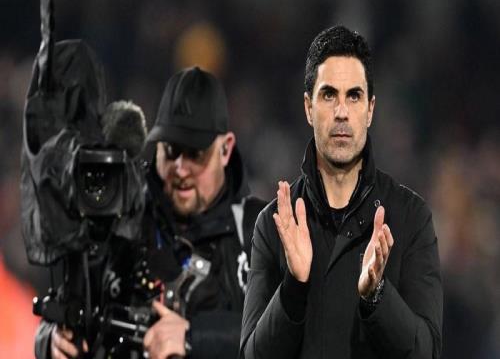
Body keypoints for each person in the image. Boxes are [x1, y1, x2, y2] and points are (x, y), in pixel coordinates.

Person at [240, 26, 443, 359]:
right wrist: (293, 288)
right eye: (328, 95)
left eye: (354, 96)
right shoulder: (275, 224)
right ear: (308, 107)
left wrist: (377, 295)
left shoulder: (410, 217)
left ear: (370, 110)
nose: (341, 112)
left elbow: (428, 352)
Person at [39, 66, 266, 358]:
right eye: (171, 151)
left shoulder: (258, 229)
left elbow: (289, 333)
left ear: (225, 150)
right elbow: (67, 307)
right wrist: (50, 340)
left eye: (195, 154)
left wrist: (195, 338)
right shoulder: (123, 218)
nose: (180, 169)